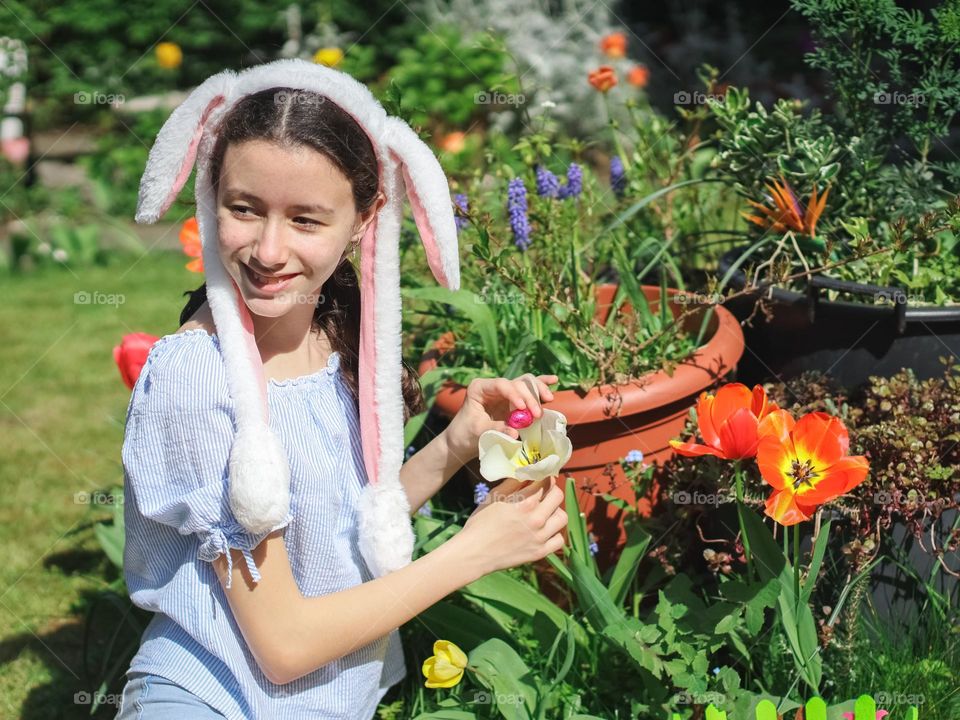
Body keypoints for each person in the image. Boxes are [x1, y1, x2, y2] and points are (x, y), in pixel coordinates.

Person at [114, 59, 569, 719]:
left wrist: (455, 444)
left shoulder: (332, 335)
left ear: (364, 217)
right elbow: (284, 645)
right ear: (211, 197)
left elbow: (338, 532)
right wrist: (474, 551)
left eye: (305, 219)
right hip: (213, 698)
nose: (269, 251)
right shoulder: (197, 377)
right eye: (245, 209)